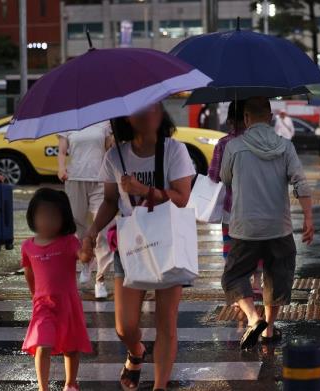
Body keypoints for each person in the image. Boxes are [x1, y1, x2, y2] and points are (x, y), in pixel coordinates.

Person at [79, 103, 195, 389]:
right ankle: (136, 351)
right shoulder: (115, 156)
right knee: (124, 327)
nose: (149, 114)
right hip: (131, 245)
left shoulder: (174, 150)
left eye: (154, 108)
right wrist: (92, 232)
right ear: (126, 118)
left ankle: (159, 385)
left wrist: (144, 191)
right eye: (141, 110)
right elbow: (109, 201)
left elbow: (182, 197)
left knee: (166, 323)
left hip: (168, 243)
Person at [220, 97, 314, 349]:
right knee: (276, 278)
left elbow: (224, 178)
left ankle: (253, 317)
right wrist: (308, 217)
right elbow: (300, 183)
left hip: (244, 228)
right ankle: (269, 330)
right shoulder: (285, 146)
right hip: (278, 227)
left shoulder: (234, 146)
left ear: (246, 119)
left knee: (234, 276)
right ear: (270, 117)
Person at [22, 188, 92, 391]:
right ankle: (43, 387)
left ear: (63, 219)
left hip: (67, 304)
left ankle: (70, 383)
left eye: (52, 216)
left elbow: (83, 256)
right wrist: (34, 294)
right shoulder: (28, 246)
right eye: (41, 215)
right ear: (32, 217)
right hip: (43, 305)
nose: (46, 221)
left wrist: (88, 249)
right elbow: (29, 273)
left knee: (71, 347)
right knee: (42, 345)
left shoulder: (69, 242)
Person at [208, 101, 262, 293]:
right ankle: (257, 282)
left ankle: (239, 283)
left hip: (232, 208)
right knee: (257, 244)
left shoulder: (224, 143)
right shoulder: (260, 141)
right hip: (258, 206)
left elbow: (214, 175)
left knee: (232, 247)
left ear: (230, 120)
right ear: (248, 119)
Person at [58, 121, 114, 299]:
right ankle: (86, 260)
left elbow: (109, 149)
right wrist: (61, 168)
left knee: (102, 230)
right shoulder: (67, 122)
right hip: (75, 179)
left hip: (100, 179)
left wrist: (113, 139)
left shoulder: (105, 121)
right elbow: (61, 151)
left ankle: (100, 280)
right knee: (78, 223)